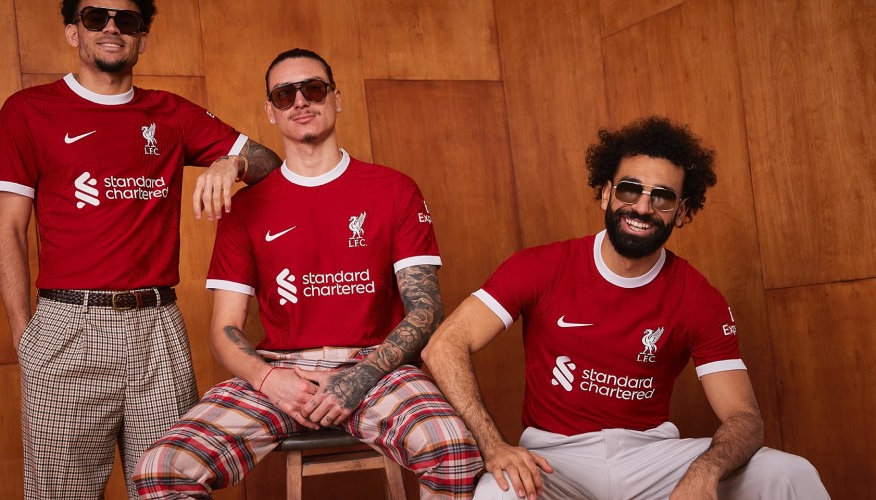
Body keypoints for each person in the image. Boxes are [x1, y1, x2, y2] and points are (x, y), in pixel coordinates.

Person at [132, 48, 484, 499]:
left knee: (452, 449)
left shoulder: (394, 189)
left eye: (313, 89)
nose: (300, 101)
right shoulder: (244, 209)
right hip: (281, 370)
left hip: (378, 367)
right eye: (285, 94)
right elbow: (223, 330)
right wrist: (268, 379)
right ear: (271, 112)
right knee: (163, 468)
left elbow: (427, 311)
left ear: (336, 98)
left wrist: (356, 380)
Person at [422, 117, 830, 499]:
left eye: (663, 197)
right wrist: (493, 447)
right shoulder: (541, 267)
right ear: (606, 192)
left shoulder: (699, 298)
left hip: (653, 457)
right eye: (630, 189)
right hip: (555, 458)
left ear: (682, 212)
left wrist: (705, 471)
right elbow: (444, 346)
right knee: (498, 492)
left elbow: (745, 417)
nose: (643, 207)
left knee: (789, 473)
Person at [0, 1, 281, 498]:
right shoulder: (28, 110)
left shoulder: (172, 113)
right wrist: (24, 337)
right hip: (68, 325)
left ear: (142, 37)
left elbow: (271, 167)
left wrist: (231, 164)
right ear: (72, 32)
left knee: (174, 486)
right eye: (95, 17)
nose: (111, 28)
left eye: (126, 20)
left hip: (158, 325)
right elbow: (9, 230)